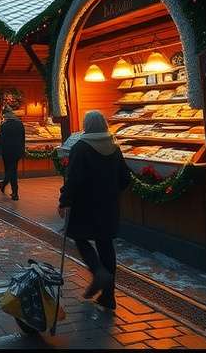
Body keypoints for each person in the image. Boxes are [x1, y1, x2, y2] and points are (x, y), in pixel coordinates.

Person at [58, 110, 131, 311]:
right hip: (108, 206)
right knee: (106, 245)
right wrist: (112, 192)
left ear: (87, 125)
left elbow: (72, 179)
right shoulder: (114, 148)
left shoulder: (81, 148)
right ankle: (109, 297)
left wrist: (64, 201)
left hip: (85, 206)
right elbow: (125, 178)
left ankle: (98, 271)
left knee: (80, 238)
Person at [0, 106, 25, 200]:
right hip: (17, 151)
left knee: (9, 170)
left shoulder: (3, 125)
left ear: (5, 116)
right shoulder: (20, 124)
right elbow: (23, 139)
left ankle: (4, 184)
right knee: (13, 171)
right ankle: (15, 193)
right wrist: (22, 150)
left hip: (6, 151)